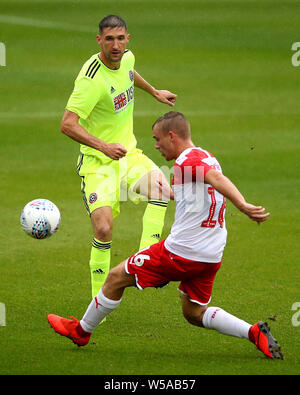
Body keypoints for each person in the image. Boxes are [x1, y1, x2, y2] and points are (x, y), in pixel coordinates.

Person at [48, 111, 283, 360]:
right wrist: (175, 194)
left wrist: (243, 205)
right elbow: (205, 187)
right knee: (193, 312)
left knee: (116, 277)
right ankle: (254, 333)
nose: (156, 146)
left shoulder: (185, 161)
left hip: (181, 252)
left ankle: (81, 331)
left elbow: (216, 179)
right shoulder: (207, 157)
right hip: (211, 255)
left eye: (157, 139)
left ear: (172, 136)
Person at [61, 15, 176, 298]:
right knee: (103, 229)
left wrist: (154, 92)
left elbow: (129, 73)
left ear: (128, 39)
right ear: (99, 40)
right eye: (109, 39)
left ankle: (146, 262)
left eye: (120, 38)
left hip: (128, 154)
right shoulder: (90, 80)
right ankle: (97, 299)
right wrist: (103, 147)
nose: (116, 45)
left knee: (162, 189)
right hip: (98, 162)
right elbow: (67, 123)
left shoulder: (127, 58)